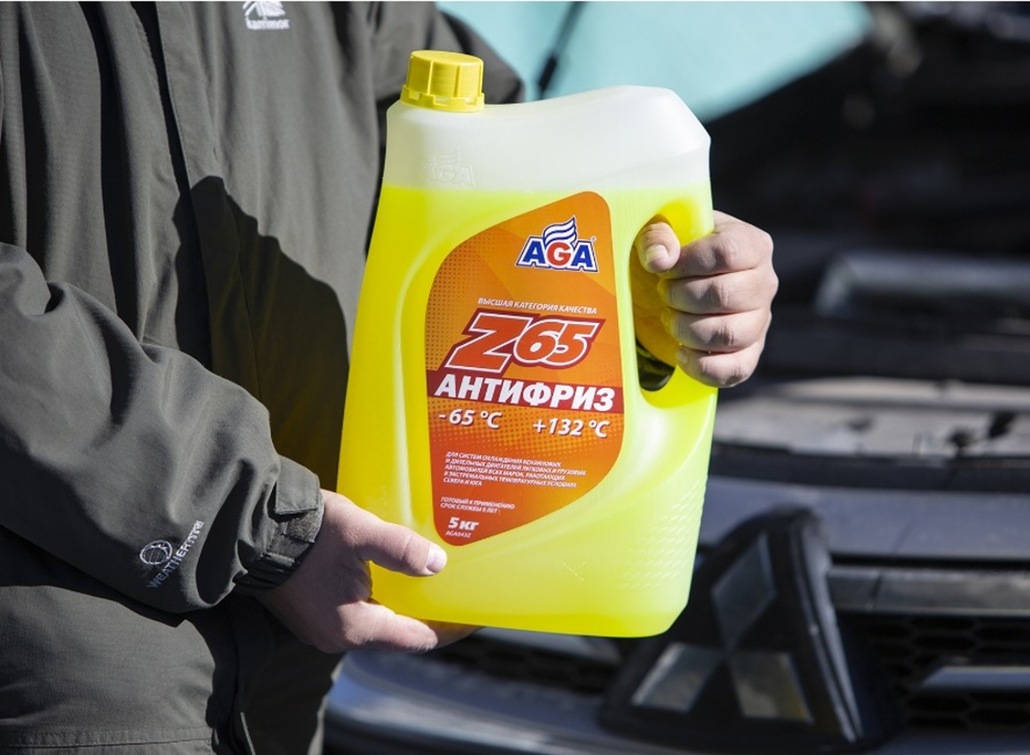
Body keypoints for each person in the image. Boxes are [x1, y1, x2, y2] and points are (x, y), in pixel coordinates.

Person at [0, 2, 777, 753]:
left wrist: (669, 292)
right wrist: (259, 523)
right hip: (62, 676)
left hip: (290, 681)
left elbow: (532, 203)